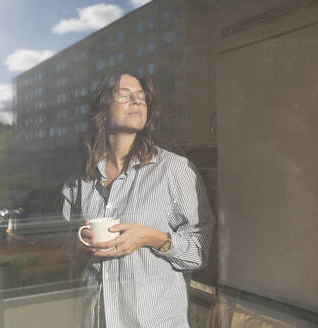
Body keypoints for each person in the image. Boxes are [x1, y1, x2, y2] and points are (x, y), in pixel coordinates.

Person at [62, 71, 214, 328]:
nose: (137, 101)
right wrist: (81, 245)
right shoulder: (81, 181)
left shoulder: (174, 170)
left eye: (142, 97)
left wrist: (150, 237)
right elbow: (67, 249)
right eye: (124, 95)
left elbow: (199, 252)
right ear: (102, 108)